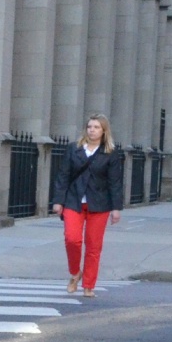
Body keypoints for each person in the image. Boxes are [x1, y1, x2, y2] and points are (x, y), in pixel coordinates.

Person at [49, 113, 123, 296]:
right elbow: (63, 175)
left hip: (99, 204)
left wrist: (116, 208)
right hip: (73, 202)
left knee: (93, 245)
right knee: (72, 239)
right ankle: (75, 273)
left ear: (104, 130)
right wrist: (58, 201)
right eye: (90, 126)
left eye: (96, 127)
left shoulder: (111, 153)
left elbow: (115, 182)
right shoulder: (74, 149)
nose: (92, 130)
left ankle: (88, 285)